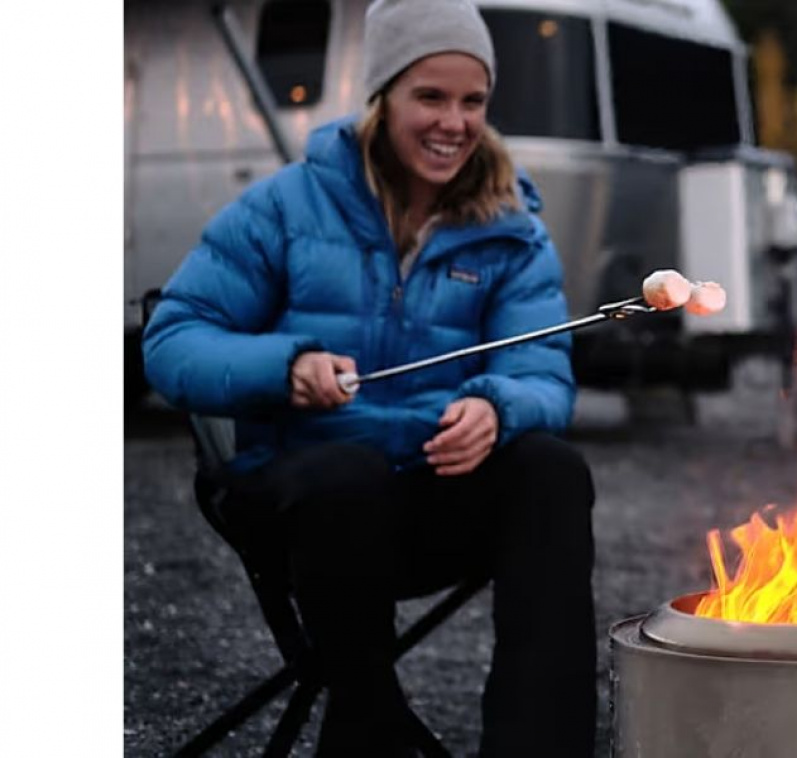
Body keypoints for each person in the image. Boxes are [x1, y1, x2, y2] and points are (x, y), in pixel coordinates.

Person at [142, 0, 596, 754]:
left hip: (425, 494)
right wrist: (286, 367)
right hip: (299, 502)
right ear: (382, 98)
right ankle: (369, 727)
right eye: (430, 96)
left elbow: (542, 374)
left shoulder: (512, 227)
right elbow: (174, 339)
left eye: (472, 100)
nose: (454, 121)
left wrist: (497, 408)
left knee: (551, 472)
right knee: (344, 477)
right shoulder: (286, 205)